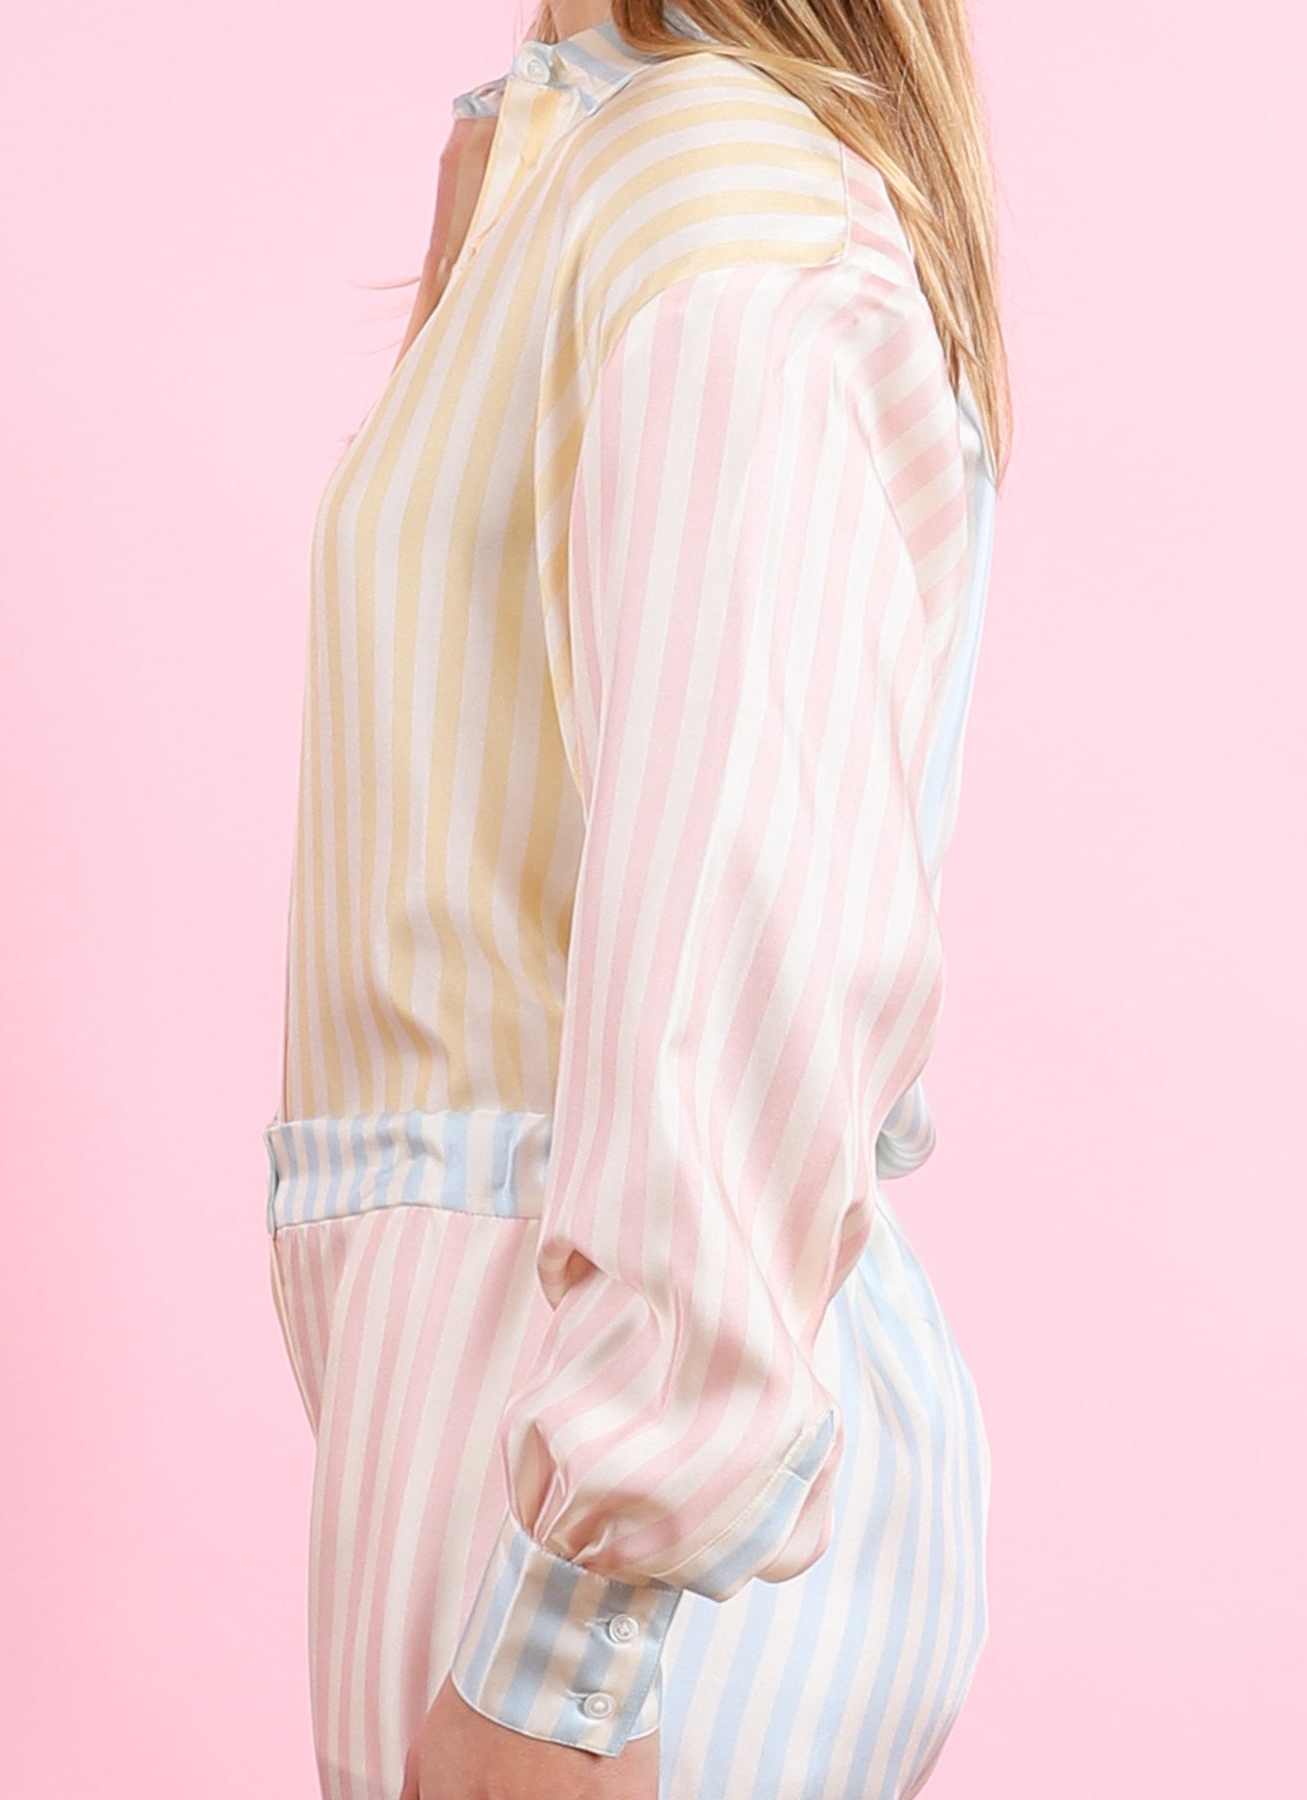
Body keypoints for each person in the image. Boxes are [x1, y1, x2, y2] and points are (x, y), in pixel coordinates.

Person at [262, 3, 1011, 1796]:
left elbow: (752, 898)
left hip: (598, 1509)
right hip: (513, 1434)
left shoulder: (708, 180)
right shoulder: (587, 161)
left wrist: (569, 1639)